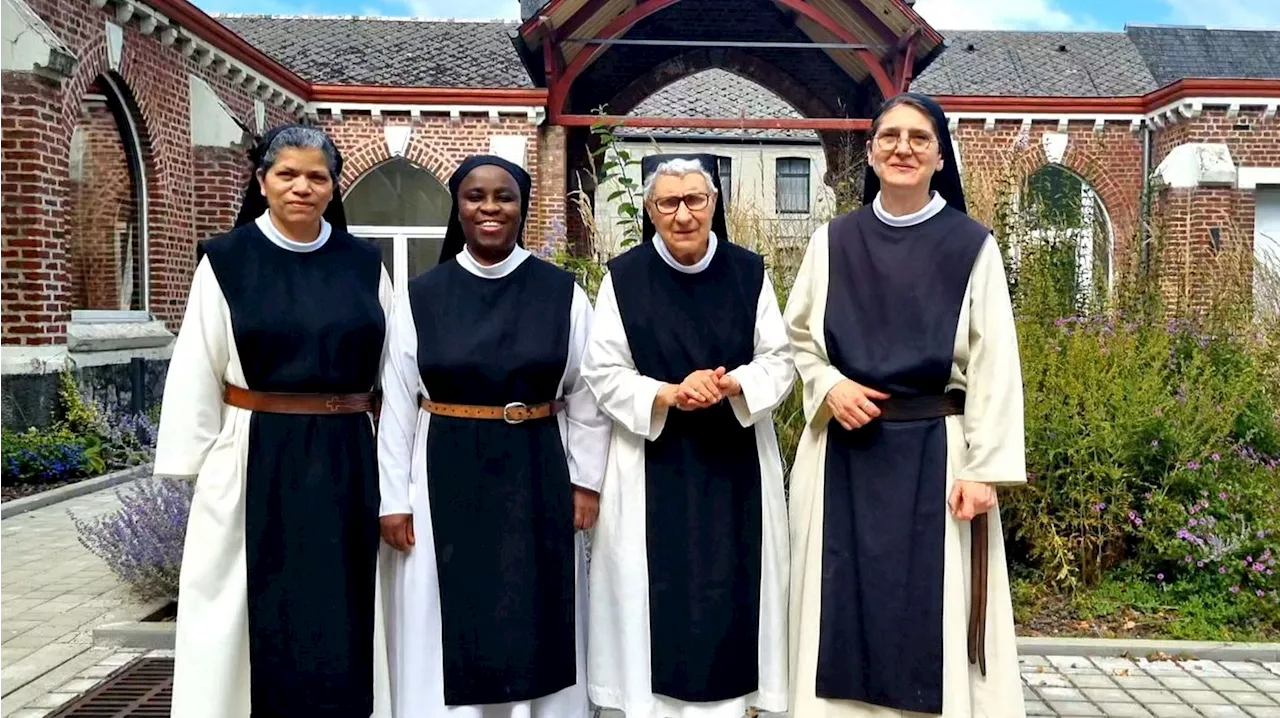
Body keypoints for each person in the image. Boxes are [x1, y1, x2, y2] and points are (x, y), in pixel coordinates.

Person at [783, 92, 1027, 717]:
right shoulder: (832, 241)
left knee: (927, 608)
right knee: (838, 606)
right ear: (870, 152)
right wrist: (829, 386)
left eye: (919, 138)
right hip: (844, 451)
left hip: (937, 457)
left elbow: (995, 362)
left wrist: (984, 470)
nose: (903, 148)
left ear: (940, 156)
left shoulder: (972, 244)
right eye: (889, 137)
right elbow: (795, 344)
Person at [153, 124, 392, 718]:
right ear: (262, 182)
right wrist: (200, 465)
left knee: (345, 601)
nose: (302, 188)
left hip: (348, 455)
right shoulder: (228, 262)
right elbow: (198, 363)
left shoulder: (364, 264)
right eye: (287, 174)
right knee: (243, 603)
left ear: (334, 187)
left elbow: (396, 365)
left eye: (317, 177)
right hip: (254, 452)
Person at [377, 154, 610, 717]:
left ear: (522, 206)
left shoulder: (562, 293)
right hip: (445, 469)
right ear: (457, 208)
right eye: (475, 196)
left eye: (503, 196)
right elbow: (399, 402)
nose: (489, 207)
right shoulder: (420, 296)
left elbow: (586, 395)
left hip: (537, 469)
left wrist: (585, 482)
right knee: (450, 613)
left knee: (535, 609)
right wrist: (393, 500)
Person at [582, 153, 794, 718]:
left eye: (695, 200)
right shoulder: (623, 278)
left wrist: (732, 385)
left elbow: (780, 360)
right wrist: (669, 394)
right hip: (651, 461)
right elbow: (602, 371)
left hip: (736, 461)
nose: (683, 214)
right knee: (654, 600)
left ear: (714, 203)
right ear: (650, 209)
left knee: (734, 596)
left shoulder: (749, 272)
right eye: (668, 202)